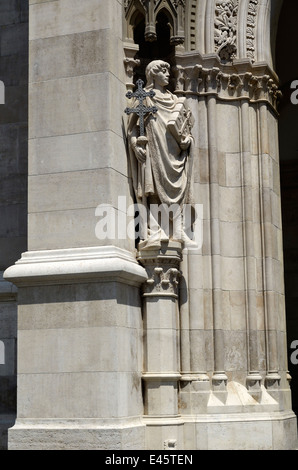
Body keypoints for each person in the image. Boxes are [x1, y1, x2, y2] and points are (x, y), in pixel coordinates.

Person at [127, 60, 195, 248]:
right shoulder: (144, 97)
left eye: (167, 71)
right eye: (162, 71)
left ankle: (177, 229)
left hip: (174, 152)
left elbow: (185, 126)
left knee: (176, 188)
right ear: (152, 75)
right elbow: (132, 129)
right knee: (154, 187)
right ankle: (155, 229)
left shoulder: (174, 100)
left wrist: (187, 141)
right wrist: (135, 144)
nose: (167, 74)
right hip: (155, 148)